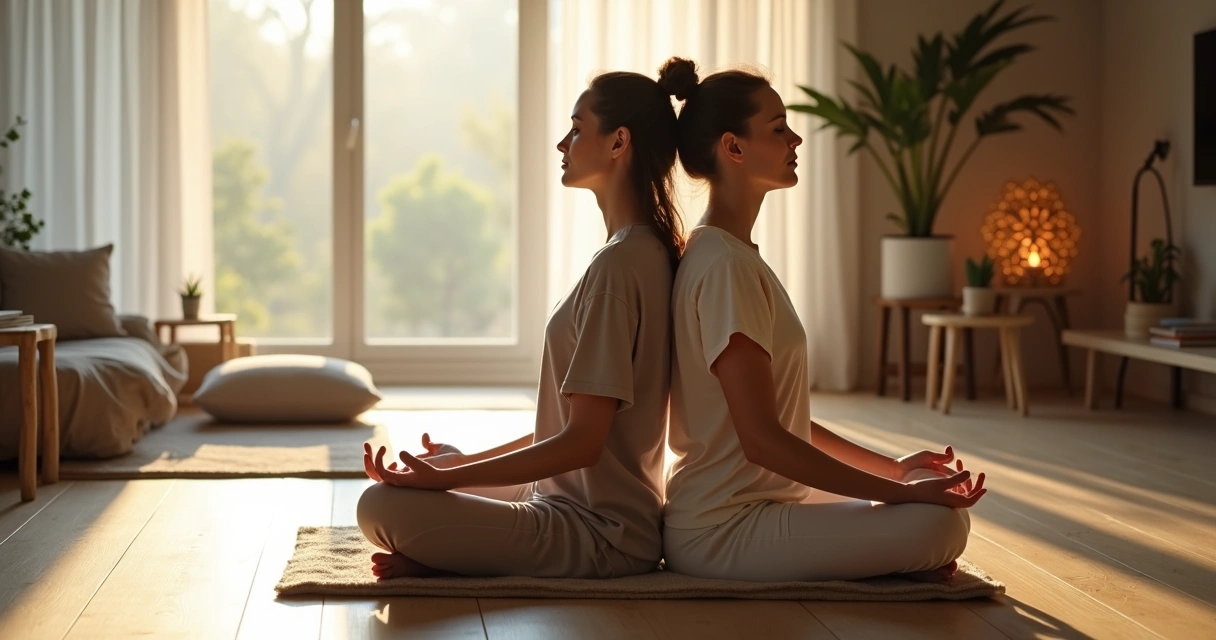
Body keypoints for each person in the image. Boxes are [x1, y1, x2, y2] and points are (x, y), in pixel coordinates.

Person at [658, 56, 987, 583]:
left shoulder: (730, 254)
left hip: (760, 497)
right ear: (733, 147)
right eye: (779, 128)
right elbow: (763, 439)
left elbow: (784, 420)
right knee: (936, 527)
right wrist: (899, 494)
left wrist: (897, 470)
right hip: (722, 529)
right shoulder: (723, 266)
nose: (795, 140)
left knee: (927, 487)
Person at [356, 66, 685, 580]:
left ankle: (455, 545)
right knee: (438, 461)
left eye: (577, 128)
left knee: (378, 506)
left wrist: (450, 483)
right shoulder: (642, 253)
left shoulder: (619, 267)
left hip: (600, 535)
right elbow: (565, 429)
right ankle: (455, 521)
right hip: (577, 502)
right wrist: (453, 469)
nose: (563, 143)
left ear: (619, 142)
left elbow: (582, 443)